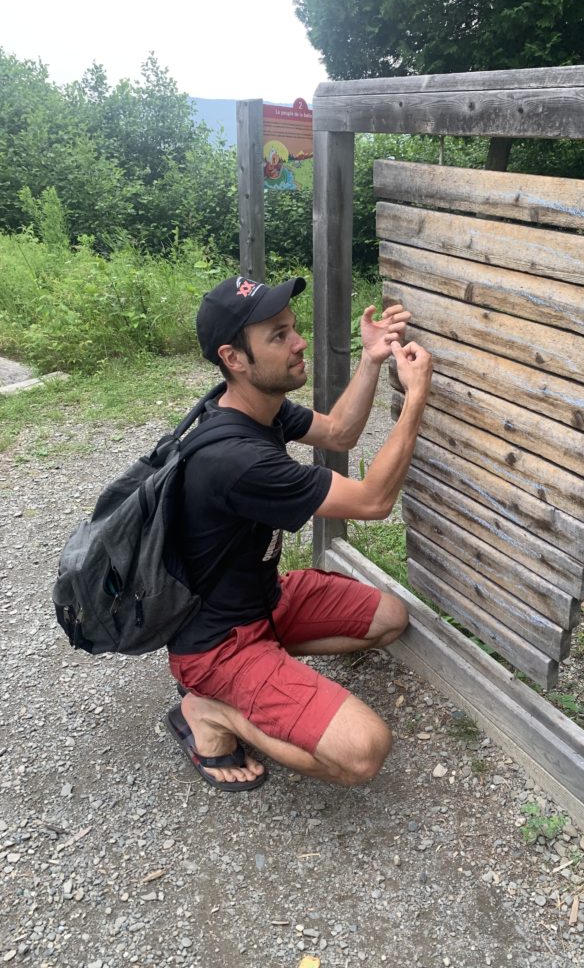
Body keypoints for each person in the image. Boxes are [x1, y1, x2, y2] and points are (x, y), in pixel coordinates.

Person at [164, 274, 433, 792]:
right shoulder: (237, 460)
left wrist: (371, 358)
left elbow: (339, 433)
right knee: (364, 751)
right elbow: (374, 501)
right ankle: (210, 710)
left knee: (389, 619)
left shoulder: (256, 407)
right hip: (218, 644)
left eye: (292, 328)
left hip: (263, 601)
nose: (300, 342)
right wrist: (416, 397)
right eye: (278, 336)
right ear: (234, 358)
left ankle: (266, 677)